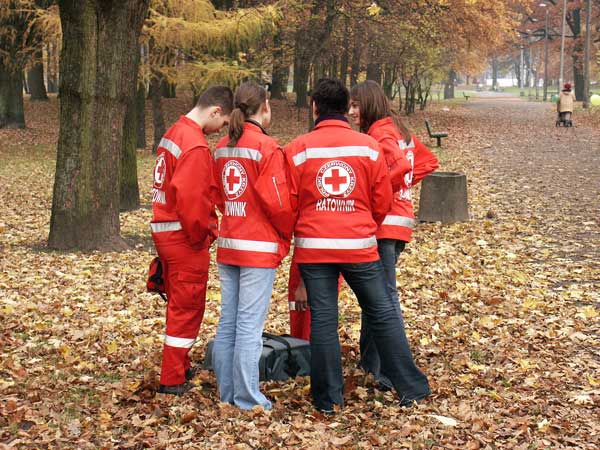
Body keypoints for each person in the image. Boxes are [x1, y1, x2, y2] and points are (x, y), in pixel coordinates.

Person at [285, 78, 431, 413]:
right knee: (382, 312)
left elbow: (289, 202)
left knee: (323, 319)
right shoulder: (367, 147)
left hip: (314, 247)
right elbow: (381, 199)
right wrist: (361, 220)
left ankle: (327, 400)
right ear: (346, 108)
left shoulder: (298, 148)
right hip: (359, 245)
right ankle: (411, 387)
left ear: (315, 107)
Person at [349, 80, 438, 391]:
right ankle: (370, 363)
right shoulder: (397, 128)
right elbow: (427, 162)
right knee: (376, 297)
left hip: (385, 222)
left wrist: (377, 191)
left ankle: (391, 370)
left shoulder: (380, 133)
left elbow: (399, 167)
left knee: (384, 298)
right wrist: (402, 190)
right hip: (399, 221)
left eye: (356, 105)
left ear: (370, 104)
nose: (351, 111)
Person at [212, 81, 294, 410]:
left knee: (228, 322)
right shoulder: (266, 148)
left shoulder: (220, 147)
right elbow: (278, 203)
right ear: (264, 107)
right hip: (257, 248)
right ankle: (247, 398)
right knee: (249, 326)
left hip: (229, 243)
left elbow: (218, 195)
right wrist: (286, 235)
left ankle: (228, 393)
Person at [150, 85, 233, 395]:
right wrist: (205, 234)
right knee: (187, 306)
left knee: (179, 302)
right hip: (184, 238)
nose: (219, 130)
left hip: (164, 231)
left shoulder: (173, 133)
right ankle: (173, 377)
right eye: (222, 123)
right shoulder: (195, 145)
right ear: (215, 111)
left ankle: (180, 365)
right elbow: (193, 201)